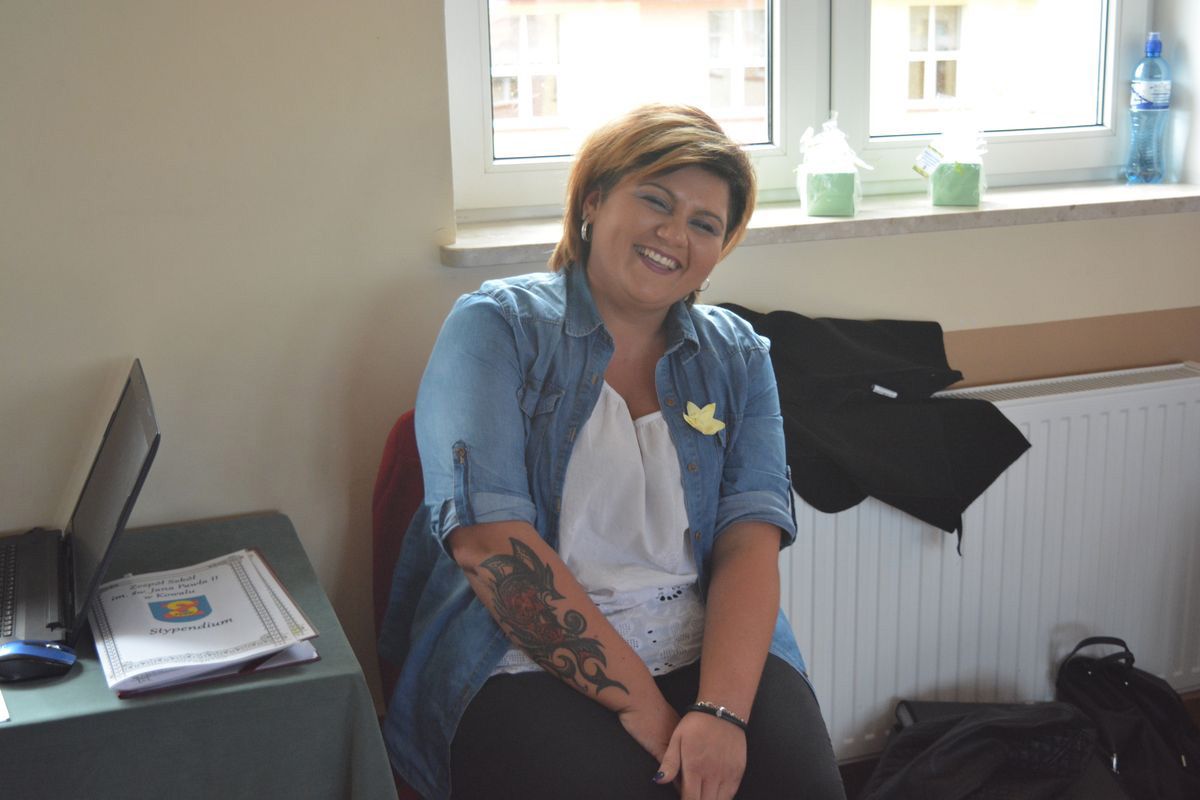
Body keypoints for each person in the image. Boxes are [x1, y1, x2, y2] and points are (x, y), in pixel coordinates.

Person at [379, 104, 846, 800]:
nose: (674, 234)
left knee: (802, 786)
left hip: (698, 634)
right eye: (656, 200)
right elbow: (490, 545)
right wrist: (649, 713)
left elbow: (750, 542)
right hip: (519, 649)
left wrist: (718, 713)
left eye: (705, 224)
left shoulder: (738, 355)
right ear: (593, 201)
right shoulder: (496, 327)